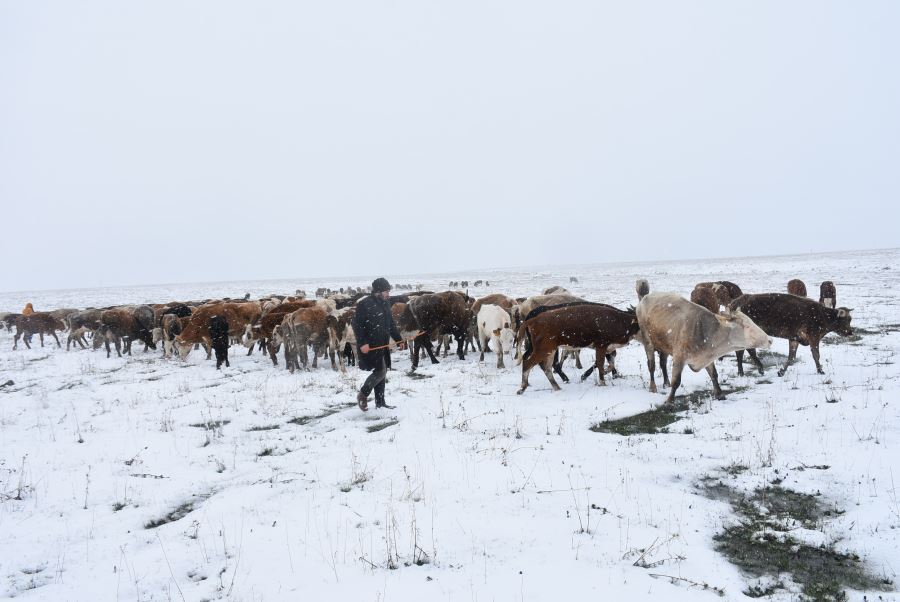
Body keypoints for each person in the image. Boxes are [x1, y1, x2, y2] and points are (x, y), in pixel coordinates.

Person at [352, 277, 405, 411]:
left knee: (382, 371)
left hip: (383, 344)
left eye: (388, 291)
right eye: (386, 291)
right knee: (381, 371)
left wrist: (398, 340)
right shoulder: (364, 304)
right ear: (378, 291)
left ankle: (380, 403)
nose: (388, 294)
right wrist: (363, 343)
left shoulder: (386, 304)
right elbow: (357, 325)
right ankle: (363, 394)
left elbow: (391, 325)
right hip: (370, 345)